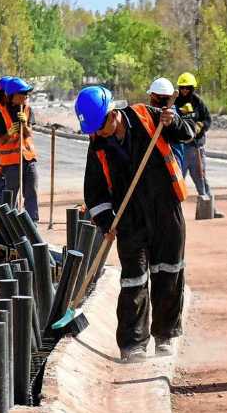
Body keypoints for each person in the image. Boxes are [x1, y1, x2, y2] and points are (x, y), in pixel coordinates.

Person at [76, 85, 195, 362]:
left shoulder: (148, 116)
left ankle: (165, 336)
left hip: (166, 209)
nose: (99, 132)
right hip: (129, 218)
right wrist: (107, 221)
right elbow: (94, 193)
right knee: (134, 280)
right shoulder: (97, 145)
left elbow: (187, 134)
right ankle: (133, 345)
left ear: (113, 113)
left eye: (101, 126)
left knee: (169, 272)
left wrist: (174, 122)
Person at [0, 77, 40, 221]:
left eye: (27, 93)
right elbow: (1, 141)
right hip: (11, 163)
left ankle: (31, 223)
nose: (26, 96)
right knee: (11, 194)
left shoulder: (27, 110)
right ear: (12, 96)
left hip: (28, 159)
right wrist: (9, 133)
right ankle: (10, 223)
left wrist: (24, 124)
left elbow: (30, 133)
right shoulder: (0, 114)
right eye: (22, 93)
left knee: (31, 191)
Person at [175, 72, 223, 218]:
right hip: (181, 150)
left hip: (196, 149)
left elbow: (207, 119)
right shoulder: (175, 103)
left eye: (187, 88)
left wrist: (199, 126)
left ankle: (210, 208)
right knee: (176, 181)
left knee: (201, 179)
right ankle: (172, 212)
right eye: (182, 88)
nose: (184, 91)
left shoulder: (198, 102)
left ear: (192, 88)